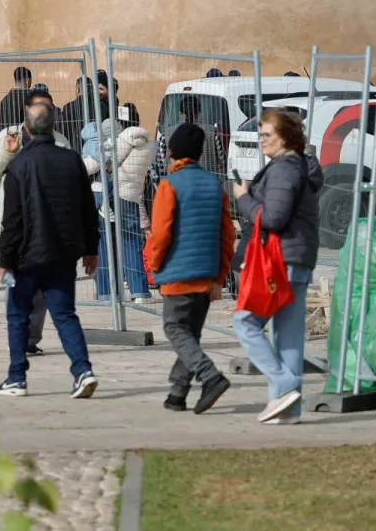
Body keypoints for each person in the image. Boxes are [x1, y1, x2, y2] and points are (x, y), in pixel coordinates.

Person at [0, 102, 101, 399]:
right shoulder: (72, 160)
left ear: (26, 130)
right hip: (63, 253)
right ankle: (83, 370)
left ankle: (17, 377)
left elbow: (12, 219)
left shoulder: (19, 165)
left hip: (26, 256)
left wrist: (5, 259)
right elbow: (87, 209)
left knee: (18, 314)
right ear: (54, 127)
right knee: (65, 314)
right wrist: (91, 248)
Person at [232, 108, 321, 425]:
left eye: (267, 135)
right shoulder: (297, 167)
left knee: (245, 320)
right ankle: (287, 410)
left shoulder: (284, 169)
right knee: (288, 337)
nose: (262, 140)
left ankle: (284, 385)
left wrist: (243, 198)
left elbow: (273, 218)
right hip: (296, 258)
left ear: (285, 137)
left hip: (281, 259)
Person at [144, 123, 235, 414]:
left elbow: (161, 234)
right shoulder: (214, 185)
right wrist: (220, 276)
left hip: (178, 274)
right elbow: (227, 234)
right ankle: (177, 393)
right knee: (190, 334)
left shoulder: (169, 185)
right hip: (206, 274)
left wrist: (154, 265)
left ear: (170, 151)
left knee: (174, 328)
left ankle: (210, 376)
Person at [0, 87, 71, 356]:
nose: (43, 112)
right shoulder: (8, 135)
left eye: (48, 108)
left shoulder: (60, 141)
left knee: (41, 287)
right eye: (38, 107)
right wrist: (8, 153)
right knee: (17, 282)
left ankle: (30, 337)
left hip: (48, 223)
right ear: (26, 111)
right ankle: (19, 335)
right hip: (15, 221)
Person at [83, 117, 154, 302]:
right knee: (131, 242)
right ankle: (140, 291)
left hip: (106, 194)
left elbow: (94, 165)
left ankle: (106, 292)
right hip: (131, 196)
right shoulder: (145, 145)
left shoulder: (118, 143)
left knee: (103, 243)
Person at [0, 66, 35, 139]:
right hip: (22, 141)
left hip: (5, 140)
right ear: (28, 81)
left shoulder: (4, 101)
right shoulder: (30, 99)